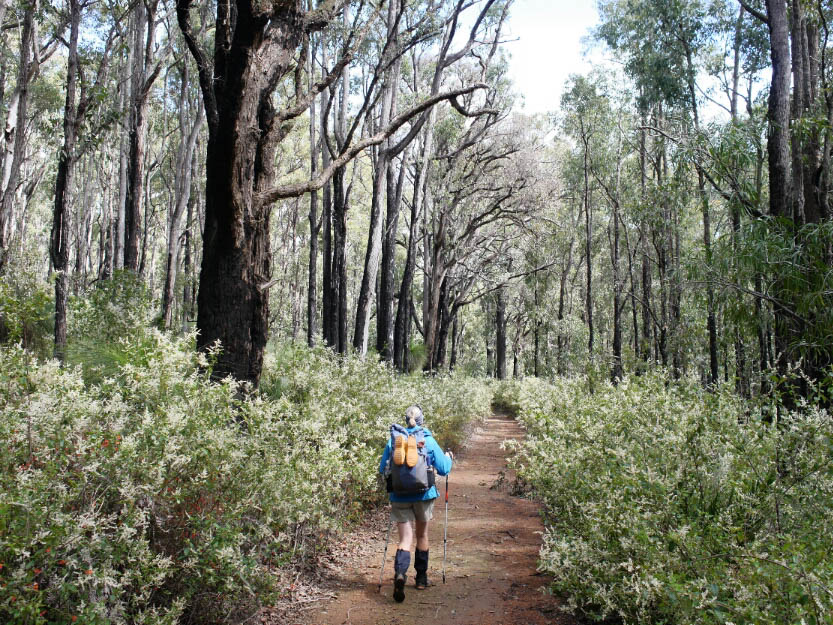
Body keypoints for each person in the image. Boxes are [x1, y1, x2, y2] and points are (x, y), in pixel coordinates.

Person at [379, 405, 453, 603]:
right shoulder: (427, 439)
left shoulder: (394, 440)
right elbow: (444, 469)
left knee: (405, 539)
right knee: (422, 534)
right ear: (422, 420)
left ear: (405, 420)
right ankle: (421, 579)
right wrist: (448, 458)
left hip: (399, 495)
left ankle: (400, 574)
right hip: (424, 494)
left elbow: (382, 468)